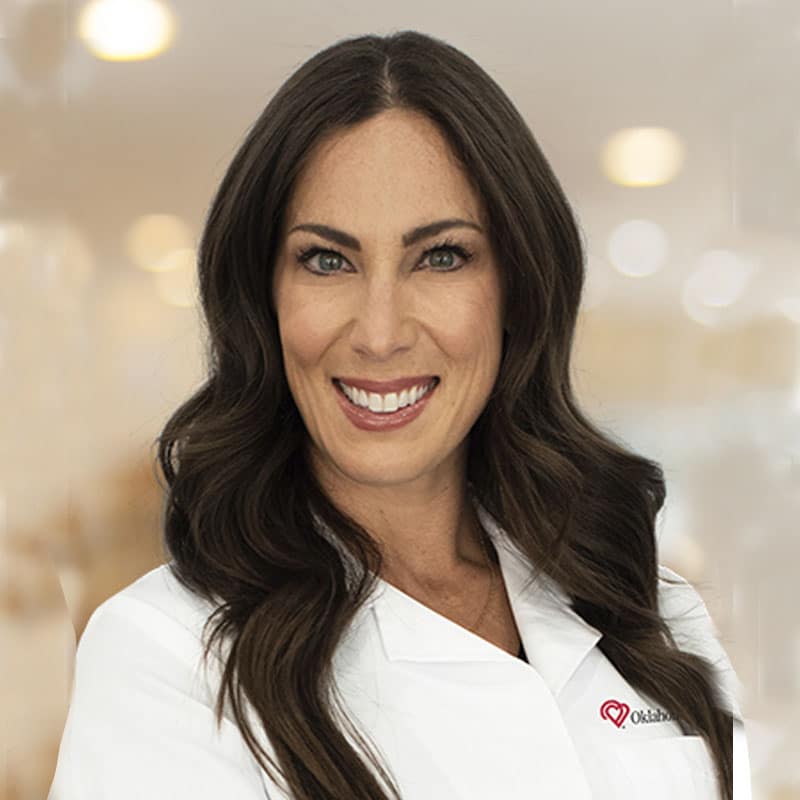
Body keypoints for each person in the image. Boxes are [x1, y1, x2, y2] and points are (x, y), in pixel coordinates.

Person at [48, 30, 750, 800]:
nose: (380, 333)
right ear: (263, 299)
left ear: (515, 290)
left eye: (440, 256)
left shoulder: (653, 612)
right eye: (327, 260)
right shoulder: (165, 654)